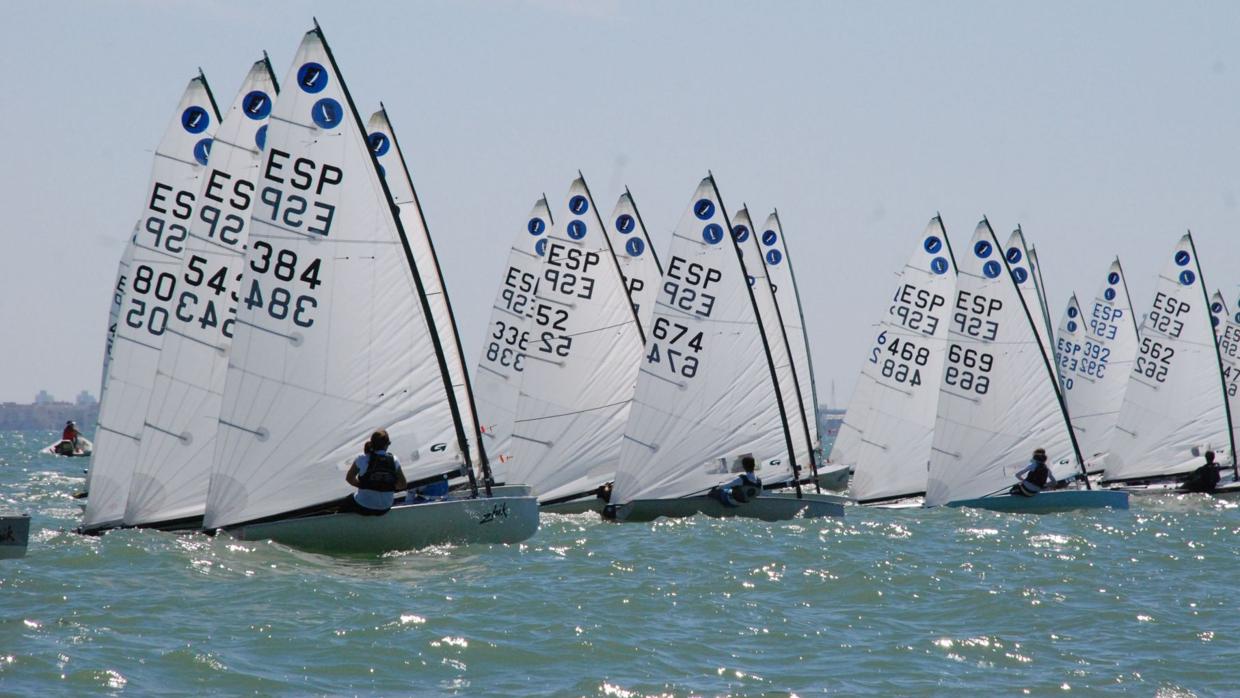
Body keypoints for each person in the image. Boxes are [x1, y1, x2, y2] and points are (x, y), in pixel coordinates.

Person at [343, 430, 407, 515]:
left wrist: (365, 485)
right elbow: (403, 484)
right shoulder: (394, 460)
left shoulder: (362, 459)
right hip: (385, 508)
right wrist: (386, 487)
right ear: (387, 444)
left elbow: (349, 479)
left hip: (363, 506)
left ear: (372, 443)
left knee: (346, 501)